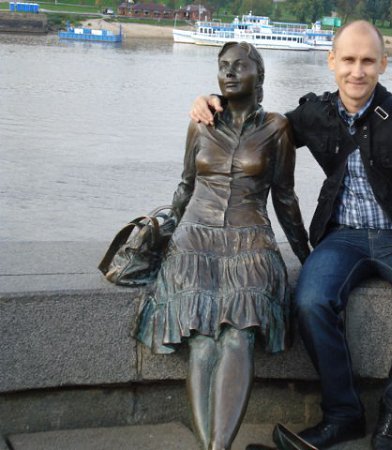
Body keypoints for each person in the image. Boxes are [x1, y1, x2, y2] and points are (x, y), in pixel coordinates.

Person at [191, 21, 392, 450]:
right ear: (332, 62)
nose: (357, 71)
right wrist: (215, 102)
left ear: (383, 64)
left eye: (367, 61)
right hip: (342, 237)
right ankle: (343, 414)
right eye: (348, 60)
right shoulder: (315, 115)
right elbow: (259, 130)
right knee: (310, 301)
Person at [137, 41, 310, 450]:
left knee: (238, 336)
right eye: (223, 66)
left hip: (251, 241)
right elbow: (186, 185)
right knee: (201, 337)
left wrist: (309, 256)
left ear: (259, 75)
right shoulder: (201, 123)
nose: (229, 73)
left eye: (240, 66)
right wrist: (162, 236)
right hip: (194, 240)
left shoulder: (277, 127)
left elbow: (285, 198)